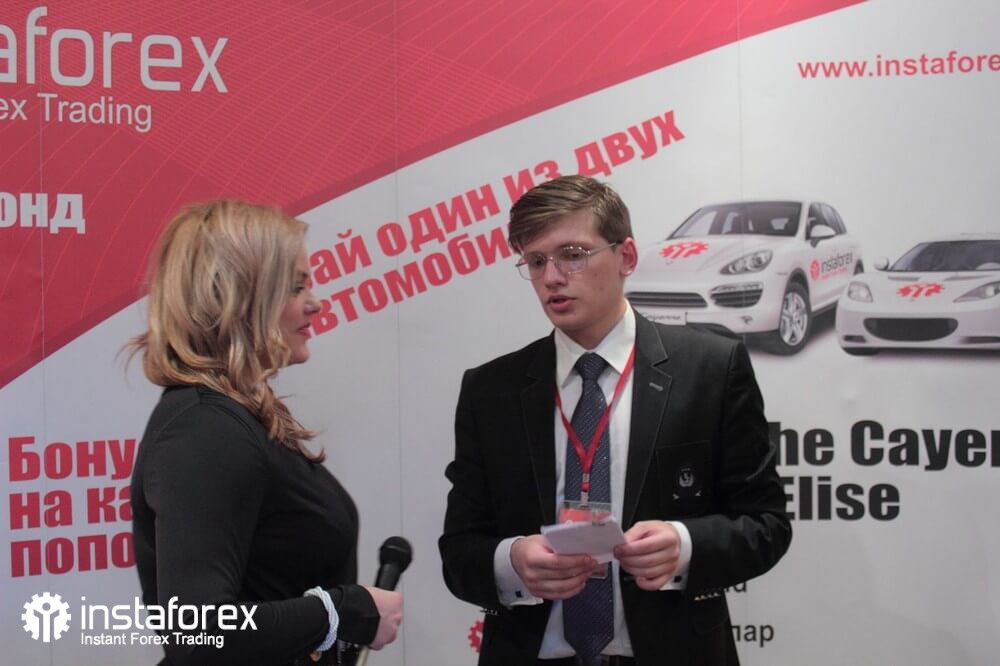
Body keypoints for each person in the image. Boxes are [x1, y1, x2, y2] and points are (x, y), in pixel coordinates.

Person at [439, 175, 791, 666]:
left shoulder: (711, 369)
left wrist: (685, 546)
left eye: (572, 255)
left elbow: (766, 524)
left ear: (626, 256)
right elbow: (459, 550)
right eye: (536, 261)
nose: (552, 277)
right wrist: (512, 562)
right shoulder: (491, 389)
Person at [128, 201, 402, 665]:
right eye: (295, 287)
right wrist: (342, 612)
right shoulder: (204, 429)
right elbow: (198, 632)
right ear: (238, 297)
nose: (315, 302)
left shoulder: (232, 417)